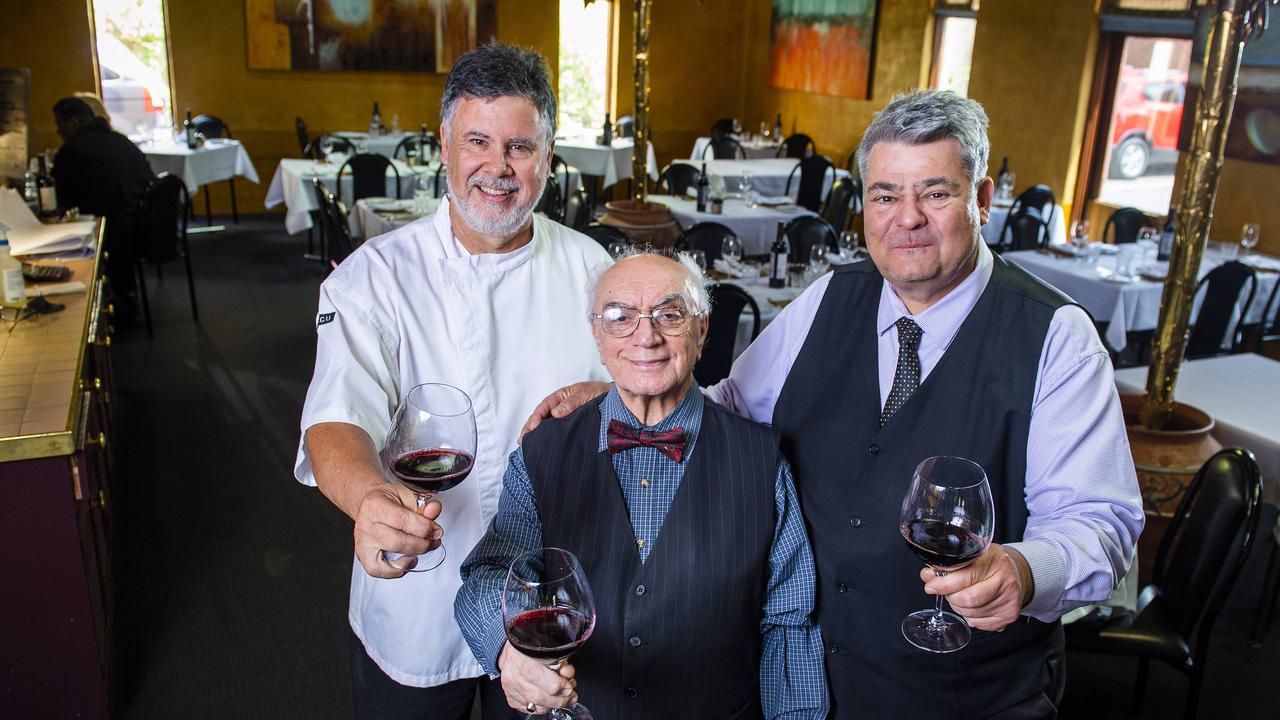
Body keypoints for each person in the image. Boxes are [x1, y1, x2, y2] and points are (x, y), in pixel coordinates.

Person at [524, 89, 1144, 719]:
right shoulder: (830, 297)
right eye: (884, 195)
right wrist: (631, 393)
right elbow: (730, 405)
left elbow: (1101, 521)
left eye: (935, 193)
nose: (907, 218)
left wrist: (1024, 568)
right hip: (810, 684)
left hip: (964, 695)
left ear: (981, 201)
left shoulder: (1056, 336)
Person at [294, 43, 612, 719]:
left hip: (546, 598)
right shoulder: (371, 277)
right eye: (477, 141)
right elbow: (333, 422)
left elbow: (660, 402)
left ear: (548, 157)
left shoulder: (593, 270)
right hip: (417, 592)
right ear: (444, 144)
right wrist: (372, 501)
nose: (497, 169)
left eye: (520, 147)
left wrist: (616, 400)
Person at [455, 251, 828, 719]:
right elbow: (488, 576)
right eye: (619, 317)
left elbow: (789, 624)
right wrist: (508, 651)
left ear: (703, 330)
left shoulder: (763, 462)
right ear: (597, 335)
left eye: (670, 314)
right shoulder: (541, 453)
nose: (646, 336)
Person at [51, 95, 155, 297]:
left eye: (59, 124)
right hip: (145, 226)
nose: (57, 130)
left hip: (114, 234)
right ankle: (124, 295)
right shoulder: (121, 140)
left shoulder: (73, 151)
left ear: (73, 123)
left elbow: (62, 199)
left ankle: (91, 297)